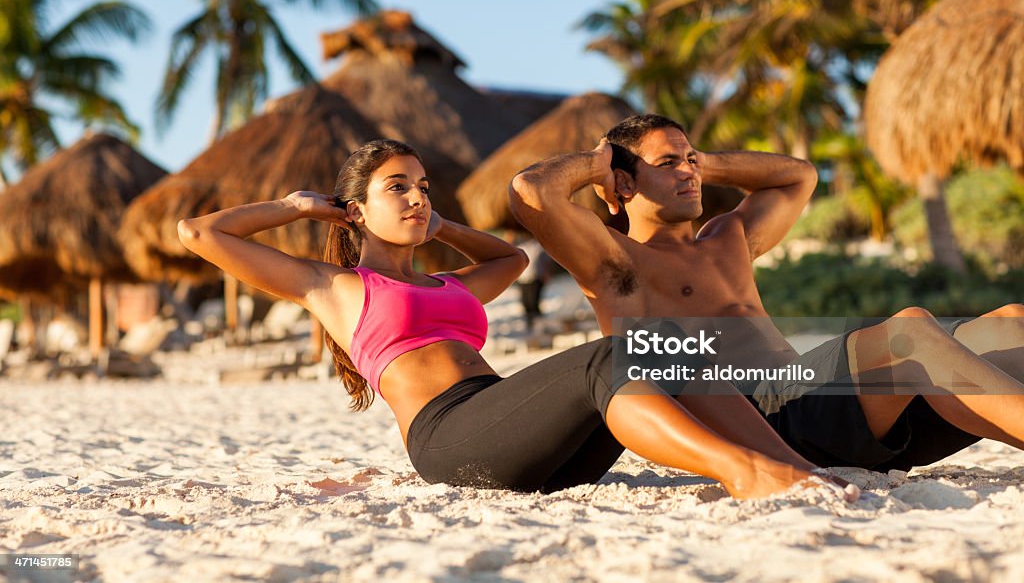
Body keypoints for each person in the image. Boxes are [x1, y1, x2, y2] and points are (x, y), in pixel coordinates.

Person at [177, 138, 854, 499]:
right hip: (452, 440)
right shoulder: (333, 287)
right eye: (398, 189)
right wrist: (299, 209)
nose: (416, 197)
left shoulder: (452, 283)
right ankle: (743, 471)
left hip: (528, 440)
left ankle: (786, 462)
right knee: (615, 355)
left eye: (422, 186)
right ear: (355, 211)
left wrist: (440, 224)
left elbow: (511, 259)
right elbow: (198, 234)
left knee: (664, 343)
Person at [509, 114, 1024, 471]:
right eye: (668, 165)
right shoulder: (615, 262)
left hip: (819, 399)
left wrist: (702, 159)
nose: (688, 172)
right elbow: (531, 192)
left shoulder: (727, 238)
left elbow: (798, 176)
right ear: (623, 184)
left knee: (1011, 322)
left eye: (691, 161)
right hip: (762, 417)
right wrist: (600, 164)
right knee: (909, 332)